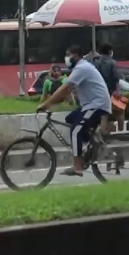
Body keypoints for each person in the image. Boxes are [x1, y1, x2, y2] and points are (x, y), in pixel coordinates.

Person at [38, 45, 112, 177]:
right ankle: (88, 145)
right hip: (90, 105)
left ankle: (77, 167)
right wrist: (56, 102)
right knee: (70, 119)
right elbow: (67, 92)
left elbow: (65, 88)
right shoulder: (81, 68)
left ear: (76, 56)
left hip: (97, 105)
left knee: (75, 131)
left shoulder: (81, 68)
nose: (66, 58)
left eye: (68, 55)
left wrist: (47, 104)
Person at [93, 42, 124, 133]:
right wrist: (118, 91)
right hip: (112, 91)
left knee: (104, 114)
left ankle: (102, 135)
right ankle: (121, 132)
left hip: (100, 92)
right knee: (120, 111)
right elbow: (116, 78)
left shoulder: (96, 62)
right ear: (110, 51)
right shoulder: (112, 63)